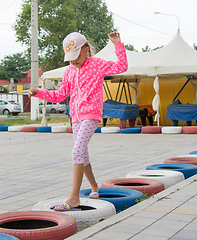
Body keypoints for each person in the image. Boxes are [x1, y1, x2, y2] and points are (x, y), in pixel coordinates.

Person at [29, 32, 128, 211]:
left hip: (91, 114)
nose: (73, 61)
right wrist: (40, 93)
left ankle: (74, 198)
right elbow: (60, 95)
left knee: (77, 150)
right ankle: (95, 186)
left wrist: (118, 44)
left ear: (86, 50)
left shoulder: (97, 65)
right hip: (75, 117)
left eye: (76, 56)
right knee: (83, 154)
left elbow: (122, 67)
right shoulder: (68, 72)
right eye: (70, 58)